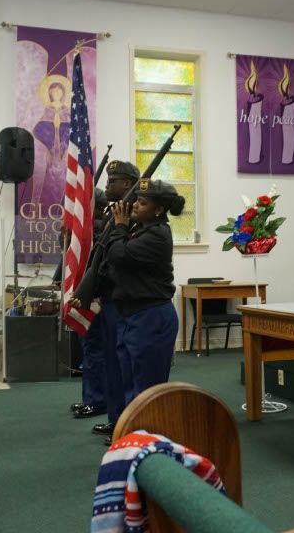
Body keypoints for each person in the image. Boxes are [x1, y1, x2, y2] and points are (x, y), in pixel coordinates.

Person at [101, 179, 184, 444]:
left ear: (158, 210)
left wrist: (119, 227)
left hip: (152, 316)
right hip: (133, 314)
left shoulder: (157, 235)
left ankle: (149, 440)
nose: (135, 205)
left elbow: (117, 255)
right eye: (136, 199)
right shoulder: (141, 230)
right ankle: (133, 436)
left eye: (143, 202)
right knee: (130, 381)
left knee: (146, 387)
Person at [72, 161, 140, 427]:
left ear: (128, 184)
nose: (108, 185)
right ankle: (114, 417)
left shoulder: (130, 218)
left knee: (116, 361)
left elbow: (118, 258)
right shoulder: (115, 216)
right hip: (106, 295)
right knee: (105, 358)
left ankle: (119, 418)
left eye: (114, 181)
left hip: (119, 299)